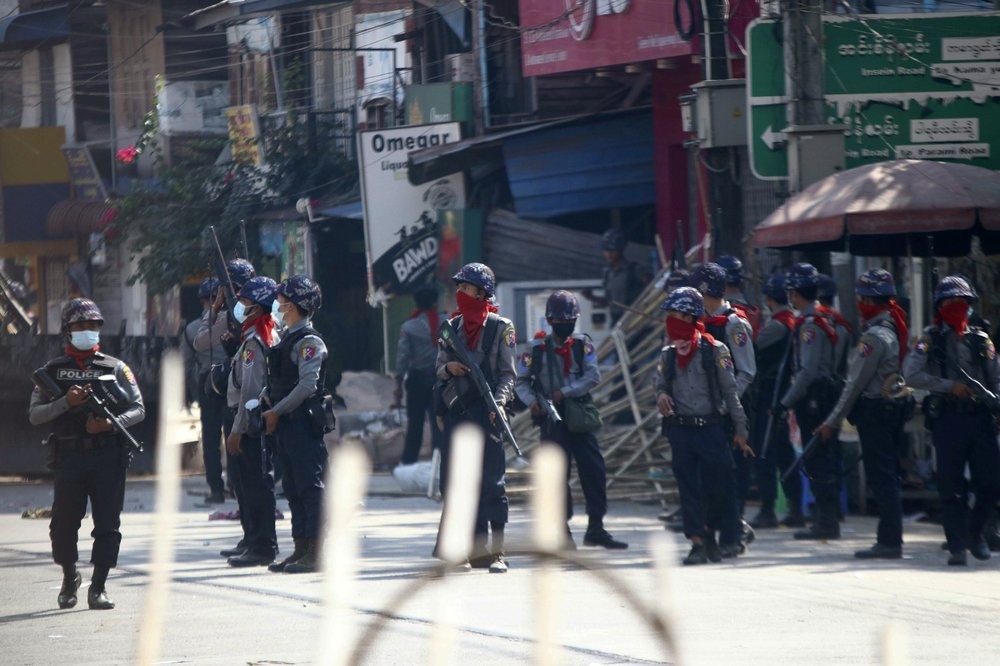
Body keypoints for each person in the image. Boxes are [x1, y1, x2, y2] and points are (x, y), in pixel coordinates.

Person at [28, 298, 145, 610]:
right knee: (63, 524)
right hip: (69, 457)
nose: (88, 331)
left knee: (108, 523)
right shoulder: (53, 371)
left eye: (93, 326)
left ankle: (99, 586)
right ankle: (70, 577)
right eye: (80, 326)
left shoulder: (116, 368)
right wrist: (67, 402)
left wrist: (110, 424)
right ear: (68, 330)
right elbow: (35, 415)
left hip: (108, 456)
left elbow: (138, 409)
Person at [514, 290, 627, 550]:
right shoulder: (536, 349)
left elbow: (593, 376)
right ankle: (562, 530)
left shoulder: (582, 344)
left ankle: (596, 528)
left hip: (579, 415)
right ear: (550, 320)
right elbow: (521, 382)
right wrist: (533, 401)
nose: (565, 324)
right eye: (560, 320)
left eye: (570, 320)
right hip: (551, 420)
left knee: (594, 471)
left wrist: (564, 392)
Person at [903, 275, 1000, 566]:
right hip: (948, 420)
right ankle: (957, 545)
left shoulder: (982, 340)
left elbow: (996, 377)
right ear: (940, 306)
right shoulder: (930, 339)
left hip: (981, 419)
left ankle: (975, 532)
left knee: (991, 483)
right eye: (951, 303)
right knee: (950, 486)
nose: (958, 308)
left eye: (963, 303)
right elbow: (911, 374)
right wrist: (948, 386)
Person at [816, 269, 910, 559]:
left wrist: (831, 422)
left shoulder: (874, 337)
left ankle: (889, 541)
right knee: (887, 475)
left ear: (868, 300)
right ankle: (889, 537)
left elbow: (854, 384)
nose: (858, 303)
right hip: (889, 410)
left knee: (882, 477)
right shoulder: (893, 329)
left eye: (861, 298)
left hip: (875, 413)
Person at [656, 287, 751, 564]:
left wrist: (741, 431)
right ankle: (696, 542)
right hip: (681, 430)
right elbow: (660, 383)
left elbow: (731, 393)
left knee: (716, 487)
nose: (672, 320)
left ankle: (711, 533)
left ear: (691, 317)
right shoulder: (668, 353)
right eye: (670, 315)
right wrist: (661, 395)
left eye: (677, 315)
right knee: (688, 489)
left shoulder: (715, 351)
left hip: (711, 428)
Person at [435, 262, 517, 573]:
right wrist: (449, 369)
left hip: (490, 413)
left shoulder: (501, 328)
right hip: (459, 412)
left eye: (466, 288)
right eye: (458, 288)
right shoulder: (451, 329)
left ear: (482, 293)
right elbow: (438, 368)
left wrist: (498, 402)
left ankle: (496, 552)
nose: (460, 293)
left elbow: (509, 375)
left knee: (492, 483)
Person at [263, 275, 330, 574]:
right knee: (291, 486)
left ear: (297, 305)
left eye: (283, 301)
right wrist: (268, 401)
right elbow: (280, 380)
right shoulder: (287, 338)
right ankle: (301, 547)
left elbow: (307, 386)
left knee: (309, 488)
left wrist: (276, 411)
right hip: (286, 424)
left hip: (303, 423)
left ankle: (317, 552)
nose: (278, 305)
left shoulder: (309, 342)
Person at [690, 262, 757, 549]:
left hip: (729, 413)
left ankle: (732, 535)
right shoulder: (700, 323)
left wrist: (726, 404)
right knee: (708, 478)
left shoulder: (733, 324)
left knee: (729, 478)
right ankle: (716, 533)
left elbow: (746, 372)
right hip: (705, 413)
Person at [195, 258, 257, 560]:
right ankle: (250, 537)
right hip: (228, 391)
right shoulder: (226, 314)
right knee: (240, 476)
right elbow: (200, 341)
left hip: (253, 398)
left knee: (255, 477)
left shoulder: (259, 312)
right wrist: (217, 309)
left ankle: (260, 541)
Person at [779, 263, 843, 541]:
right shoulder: (820, 319)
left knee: (818, 460)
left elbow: (807, 370)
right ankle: (824, 517)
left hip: (814, 397)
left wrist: (785, 402)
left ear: (796, 294)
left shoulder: (810, 325)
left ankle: (827, 520)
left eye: (792, 293)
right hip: (819, 394)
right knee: (818, 459)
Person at [225, 276, 280, 567]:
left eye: (245, 303)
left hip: (249, 423)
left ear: (257, 309)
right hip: (251, 421)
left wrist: (237, 430)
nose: (239, 307)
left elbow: (250, 391)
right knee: (250, 485)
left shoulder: (255, 342)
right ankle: (255, 542)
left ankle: (262, 546)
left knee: (257, 487)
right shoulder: (257, 336)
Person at [749, 271, 805, 529]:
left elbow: (753, 347)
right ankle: (795, 508)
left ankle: (768, 509)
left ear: (771, 299)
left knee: (766, 454)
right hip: (785, 394)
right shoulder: (793, 320)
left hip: (771, 395)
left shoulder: (777, 325)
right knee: (784, 453)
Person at [182, 277, 226, 503]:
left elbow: (186, 364)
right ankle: (237, 486)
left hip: (207, 382)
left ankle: (216, 490)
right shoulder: (232, 324)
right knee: (234, 433)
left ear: (201, 301)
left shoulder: (191, 329)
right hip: (231, 379)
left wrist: (189, 394)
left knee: (210, 438)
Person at [394, 284, 445, 465]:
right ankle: (440, 462)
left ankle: (409, 461)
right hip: (440, 379)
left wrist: (398, 384)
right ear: (434, 303)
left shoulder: (408, 326)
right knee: (439, 422)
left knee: (415, 423)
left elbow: (403, 357)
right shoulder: (445, 323)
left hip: (416, 381)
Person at [582, 228, 649, 326]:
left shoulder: (635, 270)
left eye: (612, 250)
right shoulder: (607, 273)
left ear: (621, 249)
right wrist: (591, 297)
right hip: (616, 323)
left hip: (635, 322)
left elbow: (652, 289)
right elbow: (609, 301)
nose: (608, 254)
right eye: (606, 250)